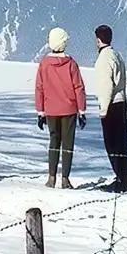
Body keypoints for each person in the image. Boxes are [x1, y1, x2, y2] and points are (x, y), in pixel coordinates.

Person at [34, 26, 88, 189]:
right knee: (68, 145)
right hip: (69, 109)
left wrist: (40, 111)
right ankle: (65, 178)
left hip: (50, 109)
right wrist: (82, 110)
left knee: (53, 142)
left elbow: (39, 88)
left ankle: (51, 177)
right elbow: (79, 87)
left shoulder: (44, 64)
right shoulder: (71, 64)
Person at [93, 24, 127, 192]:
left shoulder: (104, 59)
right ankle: (124, 179)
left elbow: (106, 85)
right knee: (122, 144)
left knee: (112, 143)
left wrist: (103, 109)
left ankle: (120, 180)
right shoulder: (116, 55)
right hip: (121, 102)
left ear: (99, 40)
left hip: (112, 104)